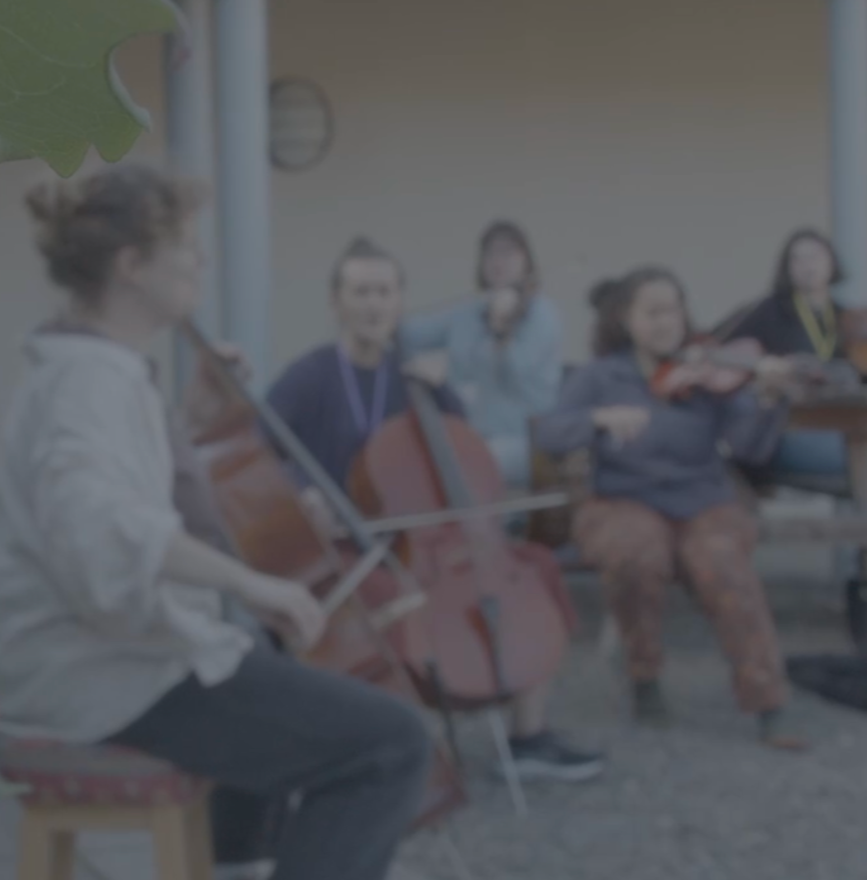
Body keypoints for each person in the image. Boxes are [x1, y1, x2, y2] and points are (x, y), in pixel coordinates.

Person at [0, 166, 436, 880]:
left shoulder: (102, 369)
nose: (198, 266)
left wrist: (186, 421)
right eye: (184, 249)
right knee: (389, 742)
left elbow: (126, 494)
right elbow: (99, 531)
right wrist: (247, 579)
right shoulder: (88, 384)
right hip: (90, 672)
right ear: (129, 264)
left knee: (258, 670)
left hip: (93, 655)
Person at [266, 235, 604, 782]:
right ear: (336, 303)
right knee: (397, 598)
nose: (374, 304)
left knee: (535, 568)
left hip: (430, 542)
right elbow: (263, 449)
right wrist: (304, 489)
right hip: (350, 546)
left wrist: (446, 396)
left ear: (400, 302)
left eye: (385, 292)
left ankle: (528, 735)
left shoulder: (417, 379)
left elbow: (463, 457)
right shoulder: (311, 375)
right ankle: (386, 743)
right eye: (361, 292)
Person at [534, 267, 803, 748]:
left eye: (673, 309)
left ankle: (768, 701)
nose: (665, 321)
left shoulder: (710, 374)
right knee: (635, 554)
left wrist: (768, 400)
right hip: (623, 498)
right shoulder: (601, 375)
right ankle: (644, 679)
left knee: (725, 567)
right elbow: (549, 433)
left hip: (703, 500)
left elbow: (751, 449)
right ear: (626, 319)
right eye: (652, 311)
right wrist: (599, 418)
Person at [402, 220, 563, 488]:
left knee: (462, 468)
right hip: (467, 435)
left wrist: (501, 331)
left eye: (509, 252)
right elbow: (411, 336)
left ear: (527, 261)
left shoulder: (542, 314)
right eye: (490, 253)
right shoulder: (470, 311)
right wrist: (385, 312)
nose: (498, 261)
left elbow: (517, 370)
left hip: (523, 441)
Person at [723, 229, 858, 481]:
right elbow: (722, 353)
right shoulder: (768, 311)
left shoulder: (846, 317)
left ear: (831, 261)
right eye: (798, 259)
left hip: (846, 425)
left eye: (815, 256)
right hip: (789, 429)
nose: (808, 265)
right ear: (787, 268)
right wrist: (762, 369)